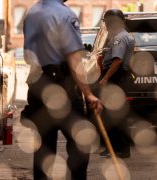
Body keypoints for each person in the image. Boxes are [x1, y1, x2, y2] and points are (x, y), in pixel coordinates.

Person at [21, 0, 103, 179]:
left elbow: (29, 56)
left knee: (43, 147)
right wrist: (88, 94)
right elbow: (74, 61)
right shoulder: (65, 14)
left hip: (38, 87)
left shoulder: (32, 13)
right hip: (63, 87)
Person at [98, 9, 135, 158]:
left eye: (107, 22)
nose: (106, 25)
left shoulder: (120, 38)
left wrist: (106, 78)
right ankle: (112, 148)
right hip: (119, 78)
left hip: (116, 79)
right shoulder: (124, 36)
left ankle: (122, 149)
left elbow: (117, 60)